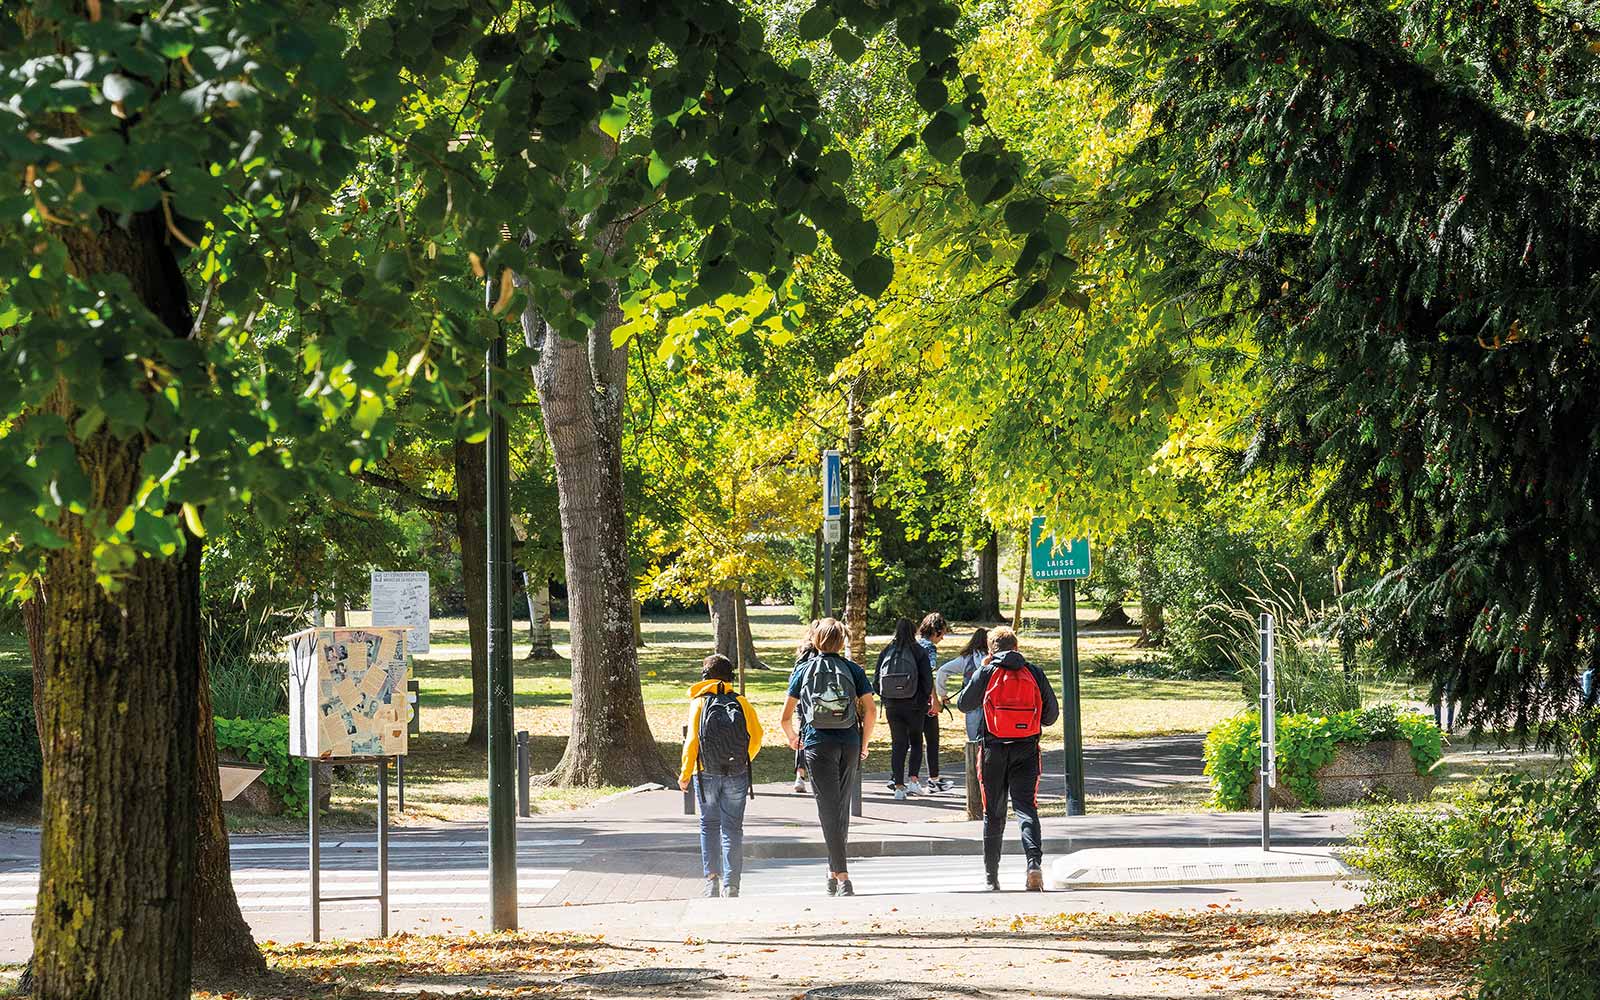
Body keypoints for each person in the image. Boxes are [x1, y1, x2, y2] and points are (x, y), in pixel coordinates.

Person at [956, 626, 1058, 892]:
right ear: (1017, 646)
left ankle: (992, 877)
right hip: (1026, 749)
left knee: (994, 813)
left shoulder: (988, 672)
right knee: (1026, 808)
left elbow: (965, 704)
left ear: (991, 649)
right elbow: (1051, 716)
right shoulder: (1033, 672)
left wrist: (982, 669)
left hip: (992, 750)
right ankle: (1033, 865)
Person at [781, 617, 875, 896]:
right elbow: (871, 710)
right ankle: (834, 870)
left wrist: (793, 738)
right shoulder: (853, 669)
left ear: (816, 640)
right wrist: (864, 743)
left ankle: (842, 875)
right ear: (842, 642)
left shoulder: (804, 670)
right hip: (849, 741)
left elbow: (785, 717)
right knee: (840, 808)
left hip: (817, 743)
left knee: (828, 809)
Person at [678, 654, 763, 898]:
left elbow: (692, 741)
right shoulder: (742, 703)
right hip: (736, 772)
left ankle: (712, 881)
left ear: (705, 677)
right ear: (730, 677)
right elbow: (757, 736)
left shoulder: (699, 703)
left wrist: (685, 774)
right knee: (733, 828)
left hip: (706, 772)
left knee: (708, 824)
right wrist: (741, 759)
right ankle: (732, 884)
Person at [875, 616, 934, 799]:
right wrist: (924, 699)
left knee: (898, 743)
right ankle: (914, 781)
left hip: (892, 705)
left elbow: (876, 681)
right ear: (914, 631)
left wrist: (886, 697)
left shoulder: (886, 651)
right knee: (916, 742)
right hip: (915, 705)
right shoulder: (919, 651)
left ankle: (899, 786)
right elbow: (927, 680)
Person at [915, 612, 950, 792]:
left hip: (908, 699)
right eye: (942, 633)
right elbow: (927, 676)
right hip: (924, 699)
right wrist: (935, 700)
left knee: (911, 740)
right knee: (932, 738)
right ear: (935, 631)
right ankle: (933, 778)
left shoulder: (912, 643)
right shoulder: (929, 647)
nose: (942, 638)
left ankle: (903, 778)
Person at [936, 627, 990, 746]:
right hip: (993, 704)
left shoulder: (966, 658)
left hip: (972, 703)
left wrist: (942, 694)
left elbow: (942, 671)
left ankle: (975, 762)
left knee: (974, 742)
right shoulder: (995, 658)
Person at [793, 627, 820, 794]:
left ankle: (800, 776)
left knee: (802, 736)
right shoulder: (821, 655)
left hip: (801, 701)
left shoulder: (802, 657)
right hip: (819, 702)